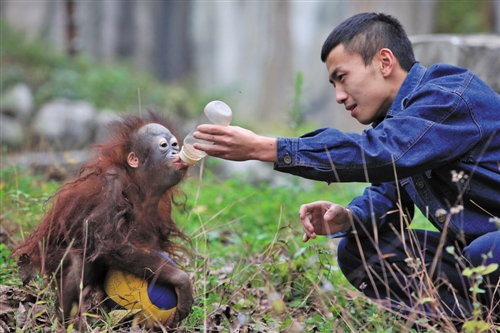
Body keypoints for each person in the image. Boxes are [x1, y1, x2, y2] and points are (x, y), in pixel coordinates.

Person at [193, 12, 500, 326]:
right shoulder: (400, 123)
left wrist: (266, 148)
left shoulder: (447, 96)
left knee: (485, 250)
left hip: (489, 251)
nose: (339, 96)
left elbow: (384, 154)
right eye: (333, 84)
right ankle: (474, 325)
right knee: (359, 251)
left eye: (342, 77)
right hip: (481, 262)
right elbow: (389, 195)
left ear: (384, 62)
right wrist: (350, 217)